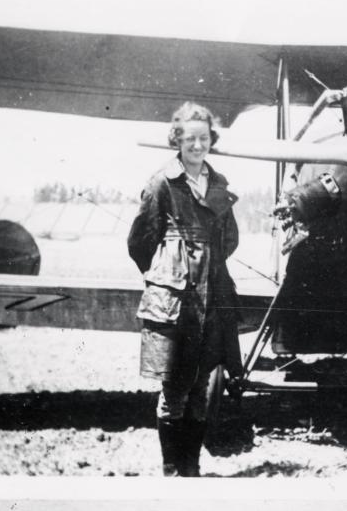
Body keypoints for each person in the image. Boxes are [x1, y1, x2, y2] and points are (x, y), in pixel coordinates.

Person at [127, 102, 243, 477]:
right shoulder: (162, 183)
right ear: (176, 140)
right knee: (174, 389)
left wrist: (207, 267)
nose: (197, 145)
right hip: (174, 300)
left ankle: (191, 468)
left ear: (212, 140)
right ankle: (171, 470)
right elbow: (140, 241)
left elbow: (230, 240)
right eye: (189, 138)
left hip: (212, 297)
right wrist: (169, 275)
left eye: (203, 138)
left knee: (201, 389)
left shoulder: (220, 184)